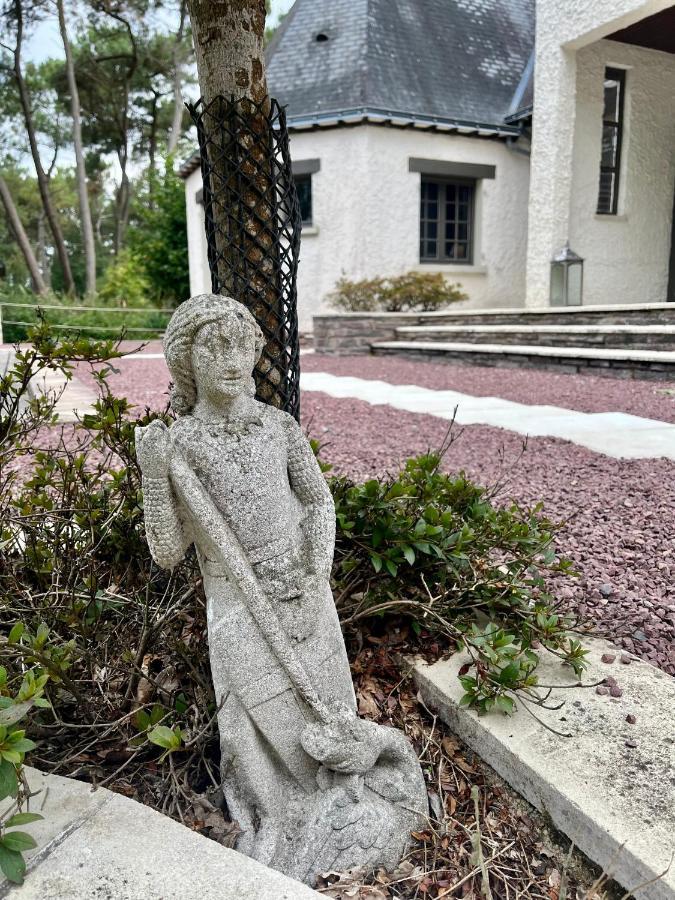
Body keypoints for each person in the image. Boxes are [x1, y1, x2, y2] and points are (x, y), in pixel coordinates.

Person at [136, 294, 426, 883]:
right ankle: (286, 820)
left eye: (242, 344)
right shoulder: (182, 445)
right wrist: (152, 474)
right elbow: (167, 554)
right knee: (260, 745)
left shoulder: (279, 427)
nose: (231, 358)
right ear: (186, 359)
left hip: (305, 600)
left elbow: (319, 501)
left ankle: (348, 790)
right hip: (239, 611)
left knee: (331, 729)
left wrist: (313, 568)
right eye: (214, 346)